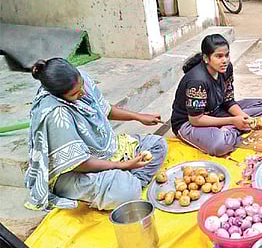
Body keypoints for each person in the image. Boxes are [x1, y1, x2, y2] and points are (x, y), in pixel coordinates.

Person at [24, 58, 168, 211]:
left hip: (105, 153)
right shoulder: (55, 114)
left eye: (82, 86)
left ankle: (127, 182)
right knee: (127, 191)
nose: (84, 92)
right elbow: (79, 163)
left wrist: (139, 117)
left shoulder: (80, 80)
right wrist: (122, 165)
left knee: (157, 145)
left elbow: (103, 109)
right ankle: (125, 184)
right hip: (74, 170)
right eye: (75, 93)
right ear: (60, 96)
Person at [170, 34, 262, 156]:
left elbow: (228, 101)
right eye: (219, 56)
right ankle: (230, 130)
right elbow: (196, 120)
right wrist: (233, 120)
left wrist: (246, 118)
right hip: (189, 123)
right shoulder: (197, 81)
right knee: (220, 145)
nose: (224, 60)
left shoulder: (226, 68)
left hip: (216, 110)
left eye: (227, 55)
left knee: (260, 105)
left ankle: (230, 129)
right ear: (206, 58)